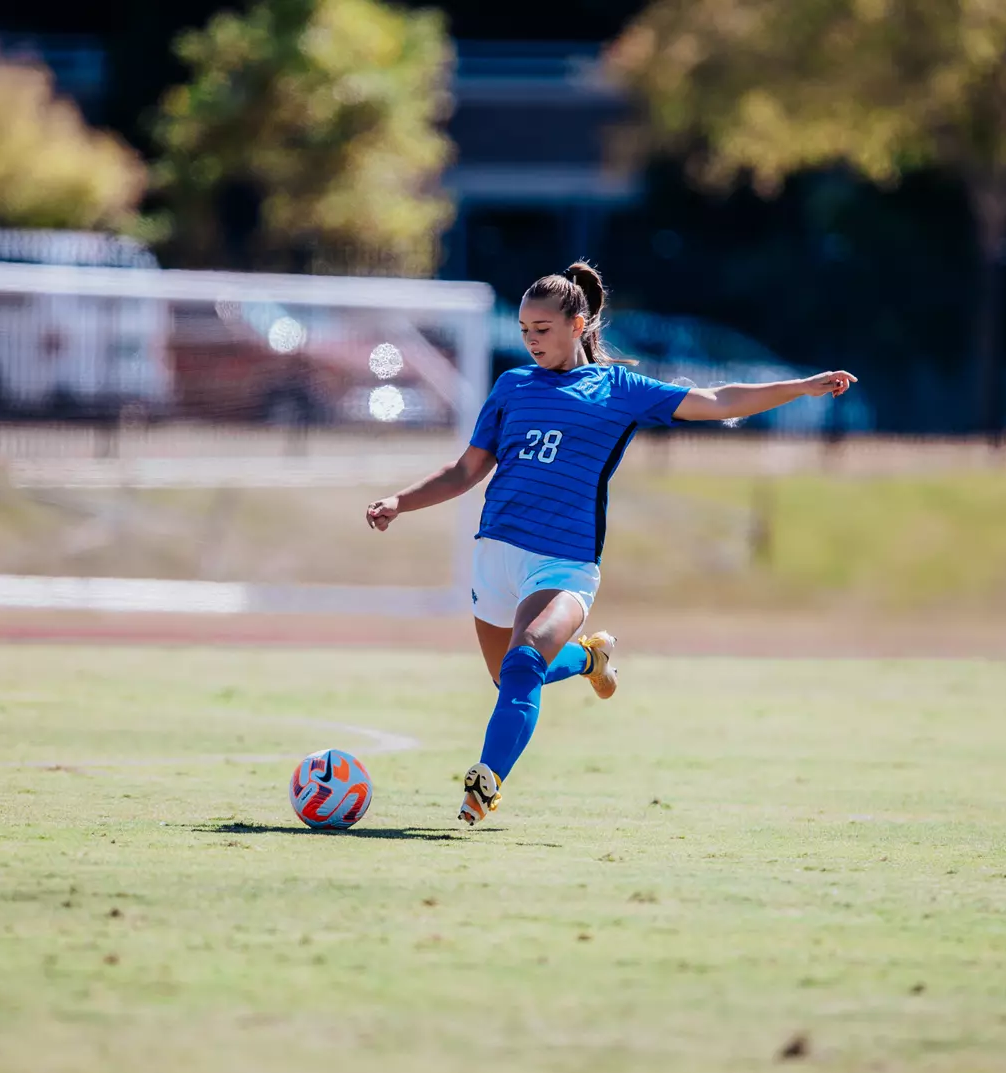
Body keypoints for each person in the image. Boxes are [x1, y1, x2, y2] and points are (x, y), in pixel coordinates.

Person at [365, 261, 855, 824]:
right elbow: (465, 470)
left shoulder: (618, 388)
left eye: (542, 330)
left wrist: (803, 385)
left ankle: (486, 782)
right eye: (524, 330)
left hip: (563, 564)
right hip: (494, 556)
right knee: (508, 677)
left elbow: (717, 401)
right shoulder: (511, 387)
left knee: (524, 666)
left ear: (578, 324)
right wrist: (400, 501)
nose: (530, 341)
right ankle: (589, 658)